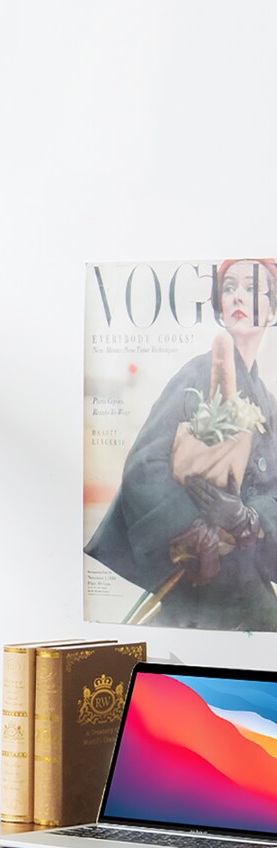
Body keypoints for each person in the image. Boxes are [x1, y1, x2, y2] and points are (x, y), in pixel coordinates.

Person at [86, 258, 277, 630]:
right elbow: (145, 466)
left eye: (254, 288)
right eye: (230, 287)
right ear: (219, 306)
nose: (239, 296)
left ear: (273, 309)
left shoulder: (270, 404)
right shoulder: (195, 375)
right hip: (197, 585)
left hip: (248, 584)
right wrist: (193, 528)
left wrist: (248, 521)